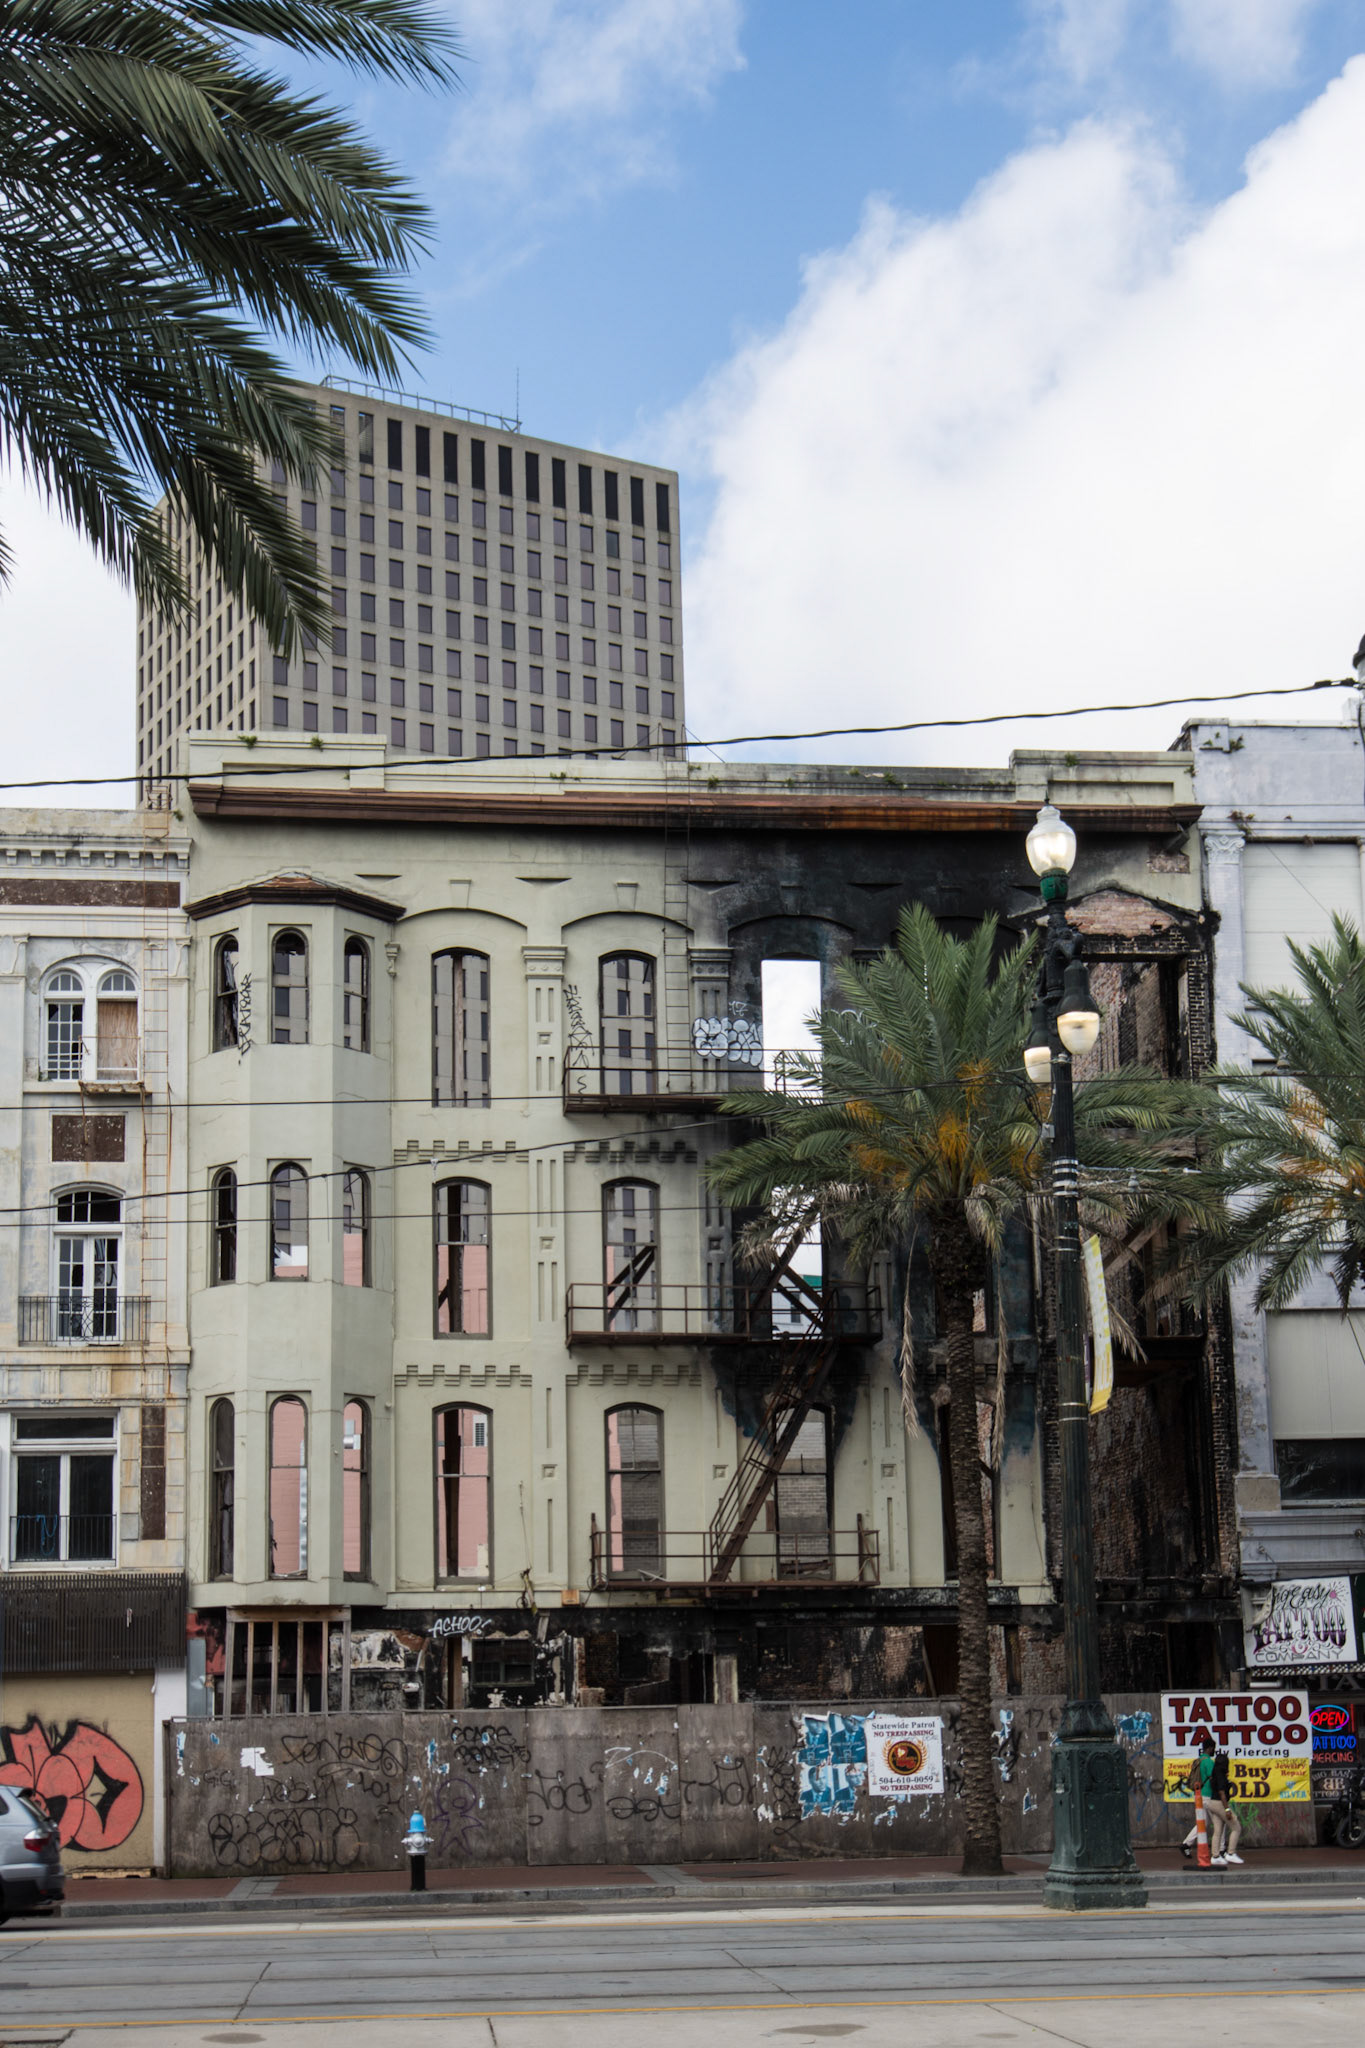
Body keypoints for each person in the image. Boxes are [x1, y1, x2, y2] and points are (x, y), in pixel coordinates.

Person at [1180, 1733, 1244, 1866]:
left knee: (1204, 1823)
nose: (1214, 1751)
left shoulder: (1198, 1760)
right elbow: (1213, 1778)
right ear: (1209, 1748)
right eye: (1213, 1748)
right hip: (1209, 1796)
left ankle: (1187, 1843)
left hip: (1199, 1794)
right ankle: (1221, 1850)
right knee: (1220, 1822)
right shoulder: (1208, 1762)